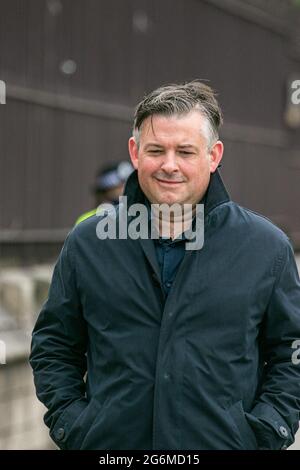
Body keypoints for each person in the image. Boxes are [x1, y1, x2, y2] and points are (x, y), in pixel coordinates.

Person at [30, 81, 300, 450]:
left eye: (185, 151)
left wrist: (266, 431)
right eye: (156, 150)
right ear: (135, 152)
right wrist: (75, 427)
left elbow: (291, 352)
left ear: (214, 155)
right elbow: (54, 345)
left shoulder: (267, 249)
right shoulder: (89, 243)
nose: (169, 165)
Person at [75, 160, 133, 225]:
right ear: (105, 191)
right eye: (119, 186)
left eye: (130, 184)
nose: (125, 189)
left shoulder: (140, 215)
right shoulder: (87, 220)